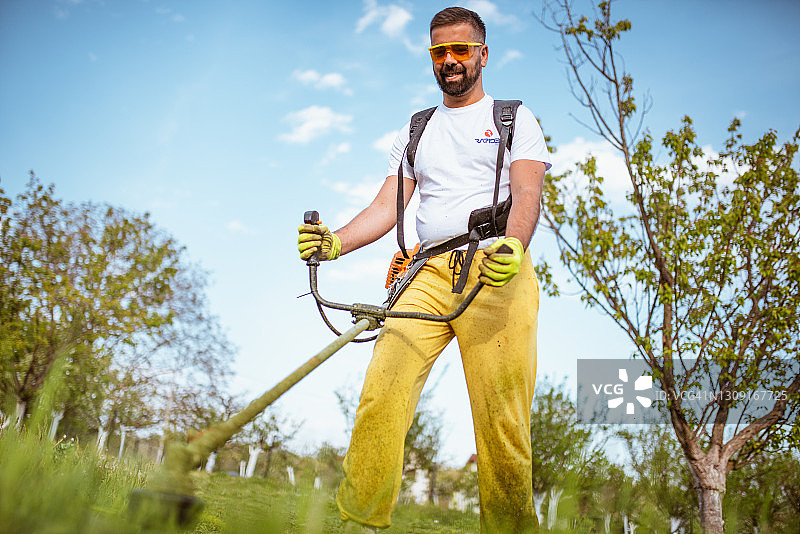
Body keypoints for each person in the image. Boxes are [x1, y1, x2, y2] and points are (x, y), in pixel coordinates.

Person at [297, 7, 551, 533]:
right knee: (382, 393)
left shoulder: (513, 119)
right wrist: (333, 243)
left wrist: (515, 247)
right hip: (427, 272)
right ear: (431, 58)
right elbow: (386, 207)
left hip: (494, 269)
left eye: (461, 50)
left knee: (502, 421)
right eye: (440, 52)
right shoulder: (417, 129)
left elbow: (528, 193)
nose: (450, 61)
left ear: (482, 53)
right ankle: (359, 521)